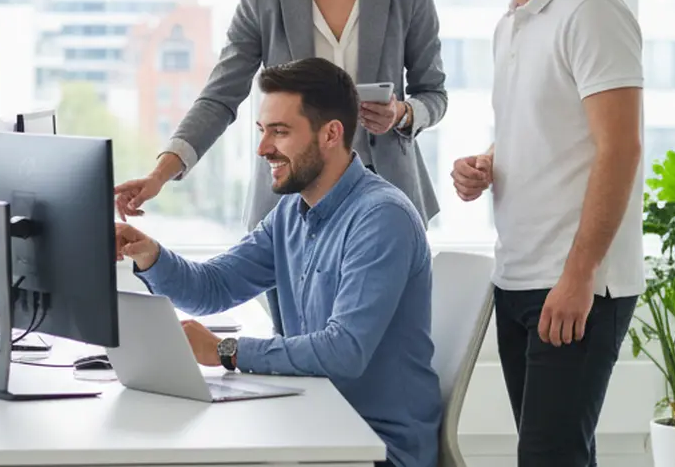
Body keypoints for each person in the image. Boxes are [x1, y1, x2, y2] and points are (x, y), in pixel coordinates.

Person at [112, 0, 448, 336]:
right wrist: (160, 173)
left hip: (382, 196)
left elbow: (434, 92)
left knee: (366, 348)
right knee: (296, 342)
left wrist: (403, 113)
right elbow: (221, 93)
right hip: (293, 202)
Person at [115, 58, 440, 467]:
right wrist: (148, 253)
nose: (263, 148)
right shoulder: (292, 213)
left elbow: (344, 351)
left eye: (280, 132)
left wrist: (225, 350)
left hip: (374, 448)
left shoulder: (381, 218)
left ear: (331, 134)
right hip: (312, 424)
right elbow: (214, 287)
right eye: (262, 130)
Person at [449, 0, 645, 464]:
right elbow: (548, 131)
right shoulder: (509, 24)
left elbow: (622, 148)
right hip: (517, 279)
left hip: (577, 284)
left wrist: (579, 277)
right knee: (552, 456)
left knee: (548, 458)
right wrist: (486, 162)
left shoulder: (591, 12)